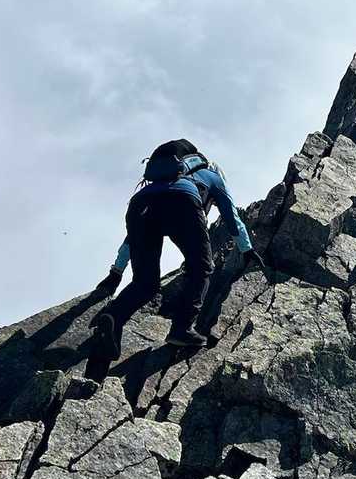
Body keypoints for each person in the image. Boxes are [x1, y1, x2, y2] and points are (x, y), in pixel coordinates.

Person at [91, 138, 263, 360]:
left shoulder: (157, 183)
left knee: (145, 283)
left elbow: (130, 239)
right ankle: (181, 329)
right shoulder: (212, 176)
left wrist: (116, 272)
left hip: (139, 206)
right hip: (183, 202)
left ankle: (113, 316)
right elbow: (232, 217)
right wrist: (247, 249)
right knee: (201, 268)